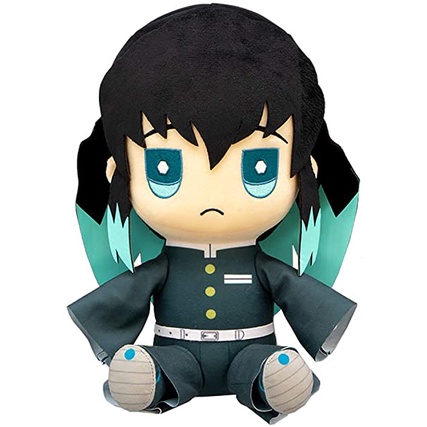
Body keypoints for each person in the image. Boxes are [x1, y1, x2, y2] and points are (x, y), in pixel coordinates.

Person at [69, 4, 359, 423]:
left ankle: (268, 379)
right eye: (164, 168)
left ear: (303, 172)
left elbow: (298, 294)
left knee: (263, 365)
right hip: (176, 351)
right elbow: (125, 295)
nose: (212, 198)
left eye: (259, 168)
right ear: (119, 172)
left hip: (252, 350)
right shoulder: (163, 265)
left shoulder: (264, 265)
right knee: (168, 366)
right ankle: (155, 377)